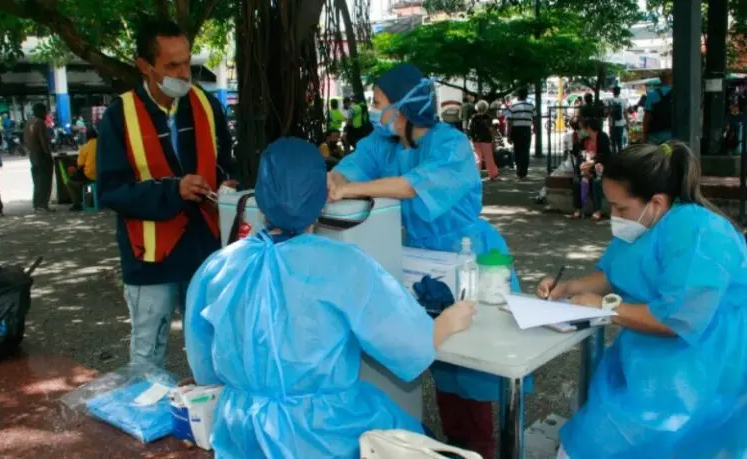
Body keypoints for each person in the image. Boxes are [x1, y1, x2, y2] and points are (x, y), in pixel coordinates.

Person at [185, 136, 476, 458]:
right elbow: (409, 345)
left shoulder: (216, 267)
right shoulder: (346, 265)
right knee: (416, 437)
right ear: (323, 200)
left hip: (240, 433)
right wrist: (449, 320)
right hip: (326, 435)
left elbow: (204, 370)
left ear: (259, 199)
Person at [327, 63, 521, 458]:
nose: (375, 111)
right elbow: (348, 171)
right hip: (417, 260)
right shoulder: (383, 146)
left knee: (474, 361)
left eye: (380, 103)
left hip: (468, 256)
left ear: (403, 106)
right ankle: (453, 445)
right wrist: (336, 181)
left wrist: (355, 188)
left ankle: (481, 447)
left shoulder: (449, 144)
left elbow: (412, 187)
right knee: (438, 356)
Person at [538, 142, 747, 459]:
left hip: (704, 361)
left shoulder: (700, 231)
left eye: (621, 209)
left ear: (657, 202)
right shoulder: (647, 224)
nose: (614, 216)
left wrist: (606, 306)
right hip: (654, 353)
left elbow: (677, 320)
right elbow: (617, 271)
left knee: (652, 439)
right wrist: (566, 287)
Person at [97, 19, 234, 368]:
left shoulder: (207, 105)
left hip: (203, 247)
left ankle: (206, 417)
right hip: (150, 255)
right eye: (172, 65)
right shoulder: (119, 116)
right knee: (147, 353)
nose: (184, 72)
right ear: (144, 65)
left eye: (187, 61)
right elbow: (111, 191)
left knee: (208, 346)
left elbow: (226, 164)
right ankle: (145, 417)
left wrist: (226, 184)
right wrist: (174, 191)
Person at [570, 117, 611, 221]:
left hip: (598, 168)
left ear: (588, 128)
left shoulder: (602, 137)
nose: (581, 131)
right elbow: (577, 154)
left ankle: (597, 210)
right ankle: (578, 209)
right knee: (576, 181)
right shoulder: (584, 139)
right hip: (585, 168)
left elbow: (606, 155)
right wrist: (576, 142)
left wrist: (593, 162)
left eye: (582, 128)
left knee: (596, 182)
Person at [23, 103, 55, 212]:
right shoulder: (40, 123)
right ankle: (44, 204)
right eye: (45, 111)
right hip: (42, 155)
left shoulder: (28, 123)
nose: (46, 113)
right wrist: (48, 154)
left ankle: (37, 204)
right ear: (41, 111)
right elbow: (43, 141)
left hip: (33, 155)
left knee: (37, 180)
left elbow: (26, 140)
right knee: (45, 180)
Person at [65, 127, 98, 211]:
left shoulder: (85, 147)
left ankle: (77, 203)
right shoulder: (103, 145)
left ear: (87, 137)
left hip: (90, 176)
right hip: (104, 174)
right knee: (88, 183)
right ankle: (92, 199)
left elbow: (80, 165)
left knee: (71, 183)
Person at [468, 100, 500, 179]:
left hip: (476, 140)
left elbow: (470, 128)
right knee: (488, 157)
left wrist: (471, 138)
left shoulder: (473, 118)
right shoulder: (488, 117)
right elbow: (491, 129)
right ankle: (493, 174)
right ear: (486, 108)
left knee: (477, 158)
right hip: (486, 139)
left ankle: (475, 175)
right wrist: (493, 140)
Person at [508, 87, 534, 179]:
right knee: (525, 150)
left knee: (517, 150)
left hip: (516, 130)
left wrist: (508, 135)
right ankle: (524, 171)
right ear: (526, 96)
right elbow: (534, 117)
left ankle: (519, 170)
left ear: (518, 95)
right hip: (526, 129)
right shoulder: (531, 105)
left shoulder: (512, 106)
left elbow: (509, 122)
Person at [643, 70, 673, 145]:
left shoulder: (652, 94)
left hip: (655, 135)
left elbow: (647, 117)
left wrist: (645, 134)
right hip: (672, 134)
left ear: (660, 79)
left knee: (653, 155)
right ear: (672, 78)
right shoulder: (678, 94)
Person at [606, 86, 629, 154]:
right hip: (620, 124)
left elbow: (607, 112)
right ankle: (620, 156)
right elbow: (625, 113)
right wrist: (628, 123)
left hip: (612, 124)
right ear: (619, 92)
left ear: (613, 92)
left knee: (613, 142)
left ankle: (614, 157)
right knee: (620, 142)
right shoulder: (623, 101)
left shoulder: (609, 101)